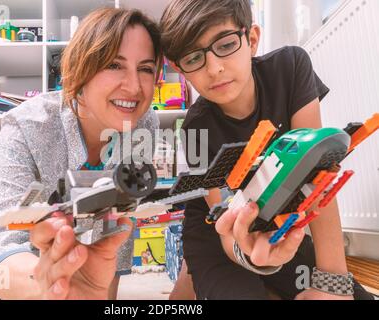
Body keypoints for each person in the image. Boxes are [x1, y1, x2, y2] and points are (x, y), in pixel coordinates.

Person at [0, 7, 162, 300]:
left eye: (145, 69)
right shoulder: (29, 123)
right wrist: (43, 283)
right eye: (114, 65)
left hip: (61, 234)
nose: (134, 87)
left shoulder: (145, 123)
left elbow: (119, 221)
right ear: (81, 69)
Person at [159, 0, 373, 300]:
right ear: (181, 70)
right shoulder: (196, 126)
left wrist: (332, 283)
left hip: (276, 220)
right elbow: (227, 221)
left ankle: (192, 275)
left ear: (252, 39)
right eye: (193, 58)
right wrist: (248, 255)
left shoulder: (290, 67)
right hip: (215, 230)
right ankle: (193, 269)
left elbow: (319, 176)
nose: (214, 68)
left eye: (226, 44)